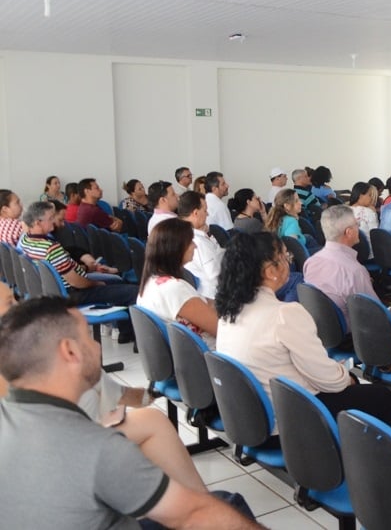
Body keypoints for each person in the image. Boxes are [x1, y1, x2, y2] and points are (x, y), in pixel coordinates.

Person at [0, 297, 260, 529]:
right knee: (227, 505)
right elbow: (192, 515)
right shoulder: (97, 449)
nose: (96, 346)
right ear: (70, 351)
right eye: (88, 337)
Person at [214, 232, 391, 425]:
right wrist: (347, 377)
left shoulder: (228, 312)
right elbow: (328, 379)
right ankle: (356, 454)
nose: (289, 263)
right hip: (292, 420)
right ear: (269, 271)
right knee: (379, 396)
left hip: (251, 417)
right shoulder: (285, 314)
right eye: (285, 257)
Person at [19, 201, 139, 343]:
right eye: (51, 218)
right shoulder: (50, 248)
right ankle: (134, 337)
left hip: (54, 291)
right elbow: (77, 282)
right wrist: (96, 283)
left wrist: (87, 269)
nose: (54, 222)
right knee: (133, 292)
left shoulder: (26, 241)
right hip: (74, 292)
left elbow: (65, 268)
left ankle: (126, 332)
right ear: (38, 223)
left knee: (116, 282)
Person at [303, 205, 391, 340]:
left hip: (318, 332)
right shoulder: (354, 271)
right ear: (349, 232)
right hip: (352, 336)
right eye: (357, 224)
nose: (359, 228)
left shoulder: (310, 262)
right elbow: (376, 314)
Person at [137, 219, 219, 343]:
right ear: (176, 247)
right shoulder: (175, 289)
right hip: (209, 356)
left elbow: (205, 304)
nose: (195, 246)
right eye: (191, 242)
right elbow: (219, 329)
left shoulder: (151, 283)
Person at [178, 191, 224, 300]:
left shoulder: (179, 233)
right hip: (214, 295)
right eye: (205, 210)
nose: (207, 214)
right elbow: (216, 275)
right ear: (195, 213)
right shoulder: (198, 241)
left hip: (197, 293)